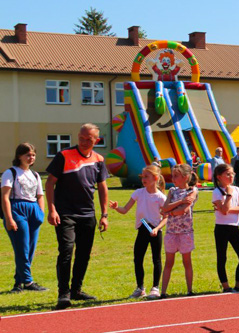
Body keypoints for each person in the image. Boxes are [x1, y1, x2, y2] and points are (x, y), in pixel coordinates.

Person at [45, 123, 110, 309]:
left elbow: (102, 188)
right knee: (66, 251)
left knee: (84, 254)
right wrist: (52, 209)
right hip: (65, 213)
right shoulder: (64, 155)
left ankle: (77, 290)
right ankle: (63, 294)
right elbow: (49, 183)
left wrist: (104, 214)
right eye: (81, 138)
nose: (83, 141)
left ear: (96, 140)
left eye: (88, 139)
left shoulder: (98, 159)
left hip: (87, 214)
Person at [109, 165, 167, 299]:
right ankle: (140, 288)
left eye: (146, 176)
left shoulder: (161, 197)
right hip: (142, 228)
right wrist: (117, 208)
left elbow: (166, 218)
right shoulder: (138, 193)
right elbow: (125, 210)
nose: (143, 179)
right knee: (138, 259)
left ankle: (155, 288)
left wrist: (157, 229)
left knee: (156, 259)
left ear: (155, 178)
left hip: (155, 230)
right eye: (142, 177)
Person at [2, 143, 47, 293]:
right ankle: (28, 282)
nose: (31, 157)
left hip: (33, 210)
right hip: (17, 209)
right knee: (22, 248)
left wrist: (41, 213)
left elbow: (40, 195)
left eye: (33, 155)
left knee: (30, 249)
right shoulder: (11, 173)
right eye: (28, 155)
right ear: (19, 156)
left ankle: (18, 283)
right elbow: (5, 197)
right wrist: (9, 218)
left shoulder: (35, 175)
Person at [160, 164, 198, 297]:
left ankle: (189, 290)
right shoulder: (172, 191)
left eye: (176, 176)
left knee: (186, 261)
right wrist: (178, 203)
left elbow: (183, 210)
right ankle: (163, 292)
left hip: (185, 232)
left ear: (185, 177)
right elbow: (165, 208)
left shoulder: (192, 191)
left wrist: (171, 212)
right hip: (171, 231)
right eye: (173, 175)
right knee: (168, 262)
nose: (173, 178)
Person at [212, 163, 239, 292]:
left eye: (232, 173)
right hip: (221, 228)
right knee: (222, 257)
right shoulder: (217, 192)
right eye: (227, 174)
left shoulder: (237, 189)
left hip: (234, 227)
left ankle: (238, 284)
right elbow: (223, 211)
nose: (231, 176)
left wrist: (225, 209)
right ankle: (226, 286)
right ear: (219, 177)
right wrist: (228, 196)